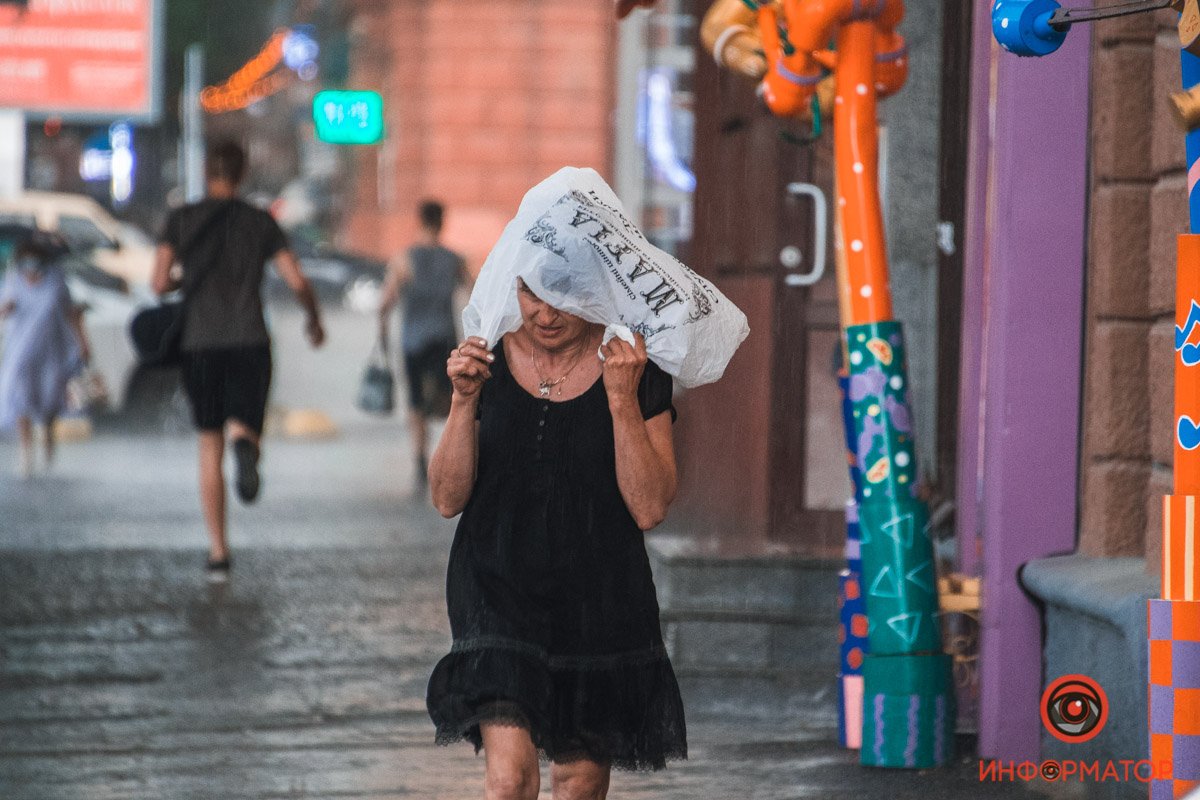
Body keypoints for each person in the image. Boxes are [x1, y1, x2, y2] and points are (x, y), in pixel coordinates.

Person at [426, 278, 687, 800]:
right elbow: (447, 499)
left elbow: (650, 506)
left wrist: (621, 402)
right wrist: (461, 402)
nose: (544, 314)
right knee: (508, 781)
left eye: (562, 297)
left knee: (579, 785)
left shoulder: (634, 368)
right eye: (531, 296)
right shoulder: (485, 362)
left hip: (601, 598)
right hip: (495, 587)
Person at [152, 140, 325, 581]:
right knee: (245, 421)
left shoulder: (182, 219)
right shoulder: (259, 222)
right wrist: (313, 319)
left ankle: (218, 553)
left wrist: (182, 280)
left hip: (200, 343)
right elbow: (297, 279)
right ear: (243, 172)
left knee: (209, 444)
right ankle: (246, 444)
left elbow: (157, 282)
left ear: (207, 170)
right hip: (249, 339)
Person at [377, 200, 470, 487]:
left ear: (419, 221)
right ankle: (448, 452)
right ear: (442, 223)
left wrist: (382, 331)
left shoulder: (404, 259)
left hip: (413, 340)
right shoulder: (455, 260)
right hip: (444, 339)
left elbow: (386, 301)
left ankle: (420, 457)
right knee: (449, 402)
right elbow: (476, 295)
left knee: (415, 402)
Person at [0, 232, 90, 477]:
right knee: (21, 398)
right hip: (21, 350)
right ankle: (26, 455)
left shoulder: (56, 280)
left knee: (49, 399)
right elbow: (5, 306)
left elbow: (71, 312)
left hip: (51, 349)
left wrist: (83, 343)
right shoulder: (13, 279)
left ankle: (49, 450)